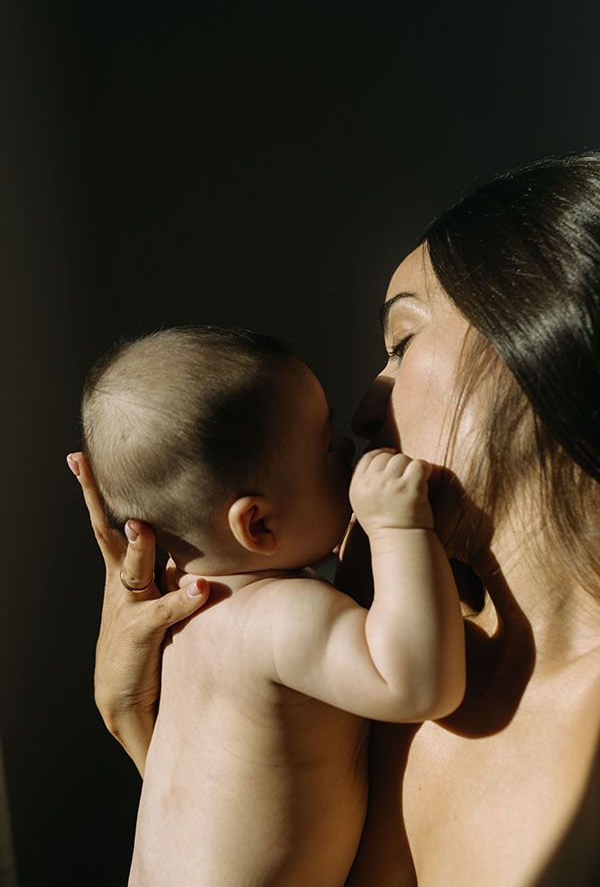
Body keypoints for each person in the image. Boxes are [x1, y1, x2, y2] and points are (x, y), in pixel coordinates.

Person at [67, 151, 600, 885]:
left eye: (402, 344)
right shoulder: (370, 599)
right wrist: (135, 720)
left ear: (544, 334)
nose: (362, 412)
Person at [77, 326, 465, 886]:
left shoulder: (186, 616)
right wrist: (398, 526)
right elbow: (418, 685)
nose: (350, 448)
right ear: (258, 524)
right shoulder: (280, 614)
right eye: (327, 445)